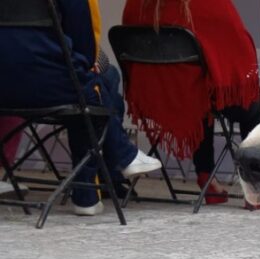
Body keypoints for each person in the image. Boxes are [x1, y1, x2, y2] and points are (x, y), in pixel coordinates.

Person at [0, 0, 161, 216]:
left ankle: (121, 159)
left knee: (97, 86)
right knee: (99, 86)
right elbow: (85, 45)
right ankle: (92, 188)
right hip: (53, 85)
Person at [122, 0, 260, 209]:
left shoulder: (134, 5)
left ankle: (206, 176)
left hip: (157, 94)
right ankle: (253, 187)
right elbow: (238, 45)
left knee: (198, 96)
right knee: (252, 105)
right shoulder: (209, 4)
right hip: (192, 93)